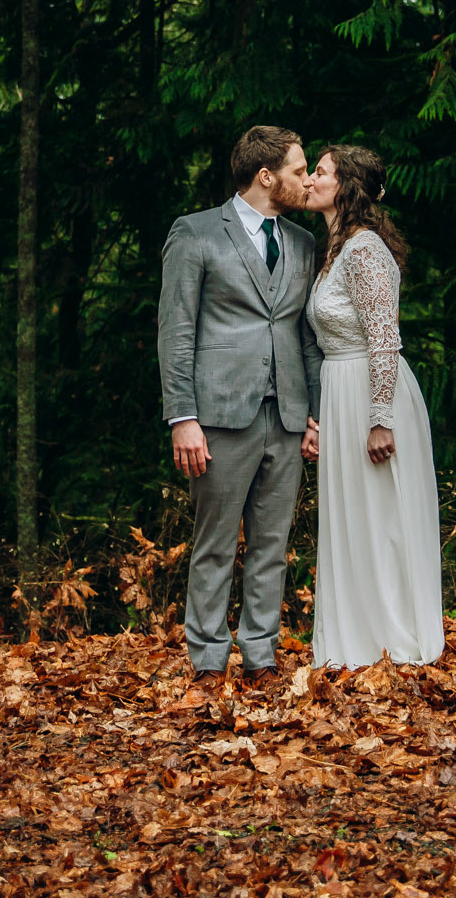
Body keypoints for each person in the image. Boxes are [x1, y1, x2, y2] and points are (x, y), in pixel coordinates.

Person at [157, 125, 325, 683]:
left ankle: (261, 656)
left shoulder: (303, 244)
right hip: (219, 417)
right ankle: (206, 660)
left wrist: (314, 415)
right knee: (214, 544)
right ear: (265, 176)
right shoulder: (196, 233)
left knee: (272, 546)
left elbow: (306, 337)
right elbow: (176, 332)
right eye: (300, 171)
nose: (307, 181)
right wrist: (183, 418)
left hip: (286, 416)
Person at [302, 144, 444, 669]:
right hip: (342, 393)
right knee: (353, 518)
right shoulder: (338, 249)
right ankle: (355, 640)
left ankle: (392, 640)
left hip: (372, 395)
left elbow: (385, 337)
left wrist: (380, 418)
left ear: (346, 186)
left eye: (320, 172)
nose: (311, 180)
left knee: (382, 516)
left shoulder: (364, 251)